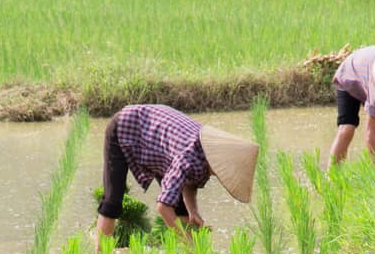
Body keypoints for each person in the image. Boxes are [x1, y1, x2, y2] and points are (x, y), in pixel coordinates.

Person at [95, 104, 258, 243]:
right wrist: (187, 240)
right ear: (220, 162)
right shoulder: (188, 157)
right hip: (127, 127)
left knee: (182, 208)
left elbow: (189, 182)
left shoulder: (204, 155)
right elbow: (163, 207)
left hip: (159, 144)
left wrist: (193, 211)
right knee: (113, 201)